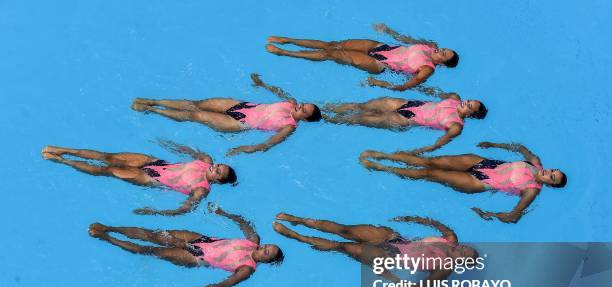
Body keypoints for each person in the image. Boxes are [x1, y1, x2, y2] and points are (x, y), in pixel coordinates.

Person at [88, 204, 284, 287]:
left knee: (148, 250)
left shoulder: (247, 268)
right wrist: (223, 212)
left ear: (266, 261)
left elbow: (223, 285)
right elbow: (243, 223)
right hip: (200, 239)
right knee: (153, 234)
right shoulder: (253, 241)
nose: (264, 247)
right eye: (268, 245)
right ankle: (109, 227)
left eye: (267, 252)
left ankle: (106, 237)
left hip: (195, 256)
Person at [359, 141, 567, 223]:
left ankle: (383, 167)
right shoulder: (536, 163)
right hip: (482, 161)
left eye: (552, 178)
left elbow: (514, 216)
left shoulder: (532, 190)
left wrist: (490, 214)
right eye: (553, 171)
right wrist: (493, 144)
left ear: (550, 185)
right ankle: (383, 155)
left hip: (479, 181)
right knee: (430, 161)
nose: (549, 173)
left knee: (430, 173)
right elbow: (520, 148)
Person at [131, 74, 322, 156]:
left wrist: (243, 149)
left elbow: (267, 144)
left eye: (304, 110)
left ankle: (153, 110)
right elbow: (278, 93)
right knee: (196, 104)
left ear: (304, 118)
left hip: (238, 123)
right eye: (304, 104)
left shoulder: (289, 126)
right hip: (242, 105)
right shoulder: (291, 103)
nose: (301, 106)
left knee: (196, 116)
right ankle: (154, 101)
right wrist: (261, 84)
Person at [272, 213, 477, 287]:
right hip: (395, 239)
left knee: (340, 246)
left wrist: (387, 275)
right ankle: (299, 220)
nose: (460, 249)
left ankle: (295, 235)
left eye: (462, 254)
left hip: (388, 257)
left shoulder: (443, 271)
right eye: (465, 247)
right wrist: (411, 219)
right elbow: (434, 223)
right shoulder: (450, 239)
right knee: (344, 229)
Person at [41, 141, 236, 216]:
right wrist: (170, 145)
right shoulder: (205, 160)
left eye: (218, 172)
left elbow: (184, 208)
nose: (215, 167)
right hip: (155, 162)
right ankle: (64, 150)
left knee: (108, 170)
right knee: (106, 156)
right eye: (219, 165)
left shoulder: (202, 189)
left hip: (150, 177)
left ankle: (63, 161)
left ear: (217, 181)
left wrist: (156, 212)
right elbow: (189, 150)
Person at [266, 23, 458, 91]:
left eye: (444, 55)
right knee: (332, 44)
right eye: (444, 49)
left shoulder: (427, 70)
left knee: (331, 55)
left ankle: (285, 52)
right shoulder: (430, 47)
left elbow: (405, 86)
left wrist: (382, 84)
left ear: (443, 64)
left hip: (379, 63)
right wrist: (388, 30)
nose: (441, 51)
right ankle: (287, 40)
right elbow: (406, 40)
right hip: (380, 46)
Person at [324, 89, 487, 154]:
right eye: (469, 100)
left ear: (471, 115)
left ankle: (328, 118)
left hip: (405, 119)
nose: (465, 102)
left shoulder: (456, 125)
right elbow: (432, 92)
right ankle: (327, 107)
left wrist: (418, 151)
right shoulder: (454, 98)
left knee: (360, 119)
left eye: (469, 105)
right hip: (406, 103)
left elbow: (439, 144)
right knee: (362, 105)